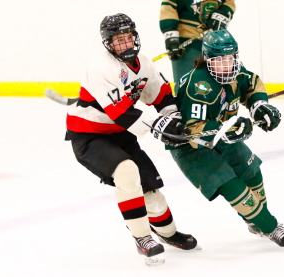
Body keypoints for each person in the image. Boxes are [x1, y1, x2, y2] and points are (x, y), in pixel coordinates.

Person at [65, 13, 199, 266]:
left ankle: (168, 234)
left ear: (135, 37)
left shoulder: (144, 63)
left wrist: (175, 118)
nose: (124, 44)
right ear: (108, 44)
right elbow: (119, 112)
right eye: (118, 41)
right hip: (89, 136)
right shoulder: (100, 69)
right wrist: (160, 125)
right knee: (127, 173)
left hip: (120, 135)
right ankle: (142, 238)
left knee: (151, 190)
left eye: (128, 38)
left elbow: (160, 95)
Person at [152, 29, 284, 248]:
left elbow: (252, 83)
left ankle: (255, 218)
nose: (226, 65)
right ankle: (271, 226)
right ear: (207, 60)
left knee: (251, 170)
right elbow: (193, 128)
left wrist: (259, 105)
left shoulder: (236, 71)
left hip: (222, 133)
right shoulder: (199, 85)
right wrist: (227, 128)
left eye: (230, 58)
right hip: (191, 146)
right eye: (219, 60)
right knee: (230, 184)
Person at [160, 0, 236, 86]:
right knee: (188, 85)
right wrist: (171, 37)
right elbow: (168, 7)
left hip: (215, 44)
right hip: (188, 46)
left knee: (216, 86)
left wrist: (223, 13)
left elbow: (229, 2)